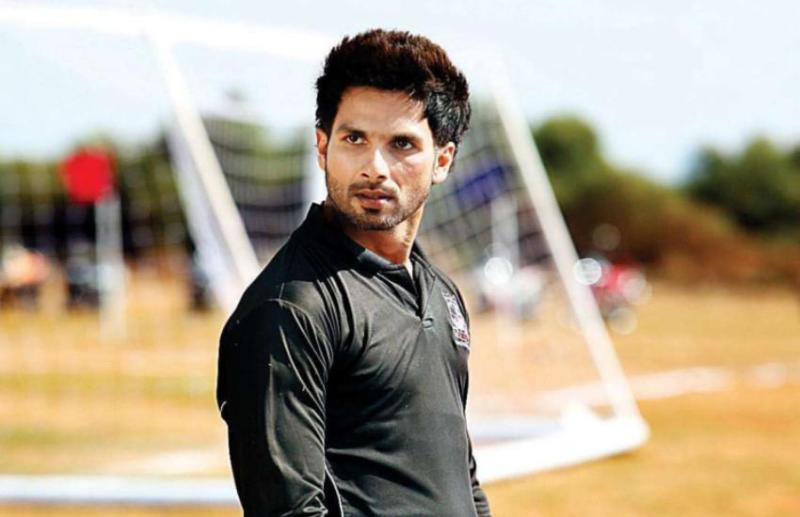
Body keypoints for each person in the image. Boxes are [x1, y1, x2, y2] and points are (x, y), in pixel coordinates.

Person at [217, 29, 491, 516]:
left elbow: (459, 475)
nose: (374, 167)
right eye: (354, 139)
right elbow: (289, 511)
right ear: (323, 147)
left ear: (442, 160)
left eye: (402, 144)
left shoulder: (440, 290)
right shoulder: (290, 308)